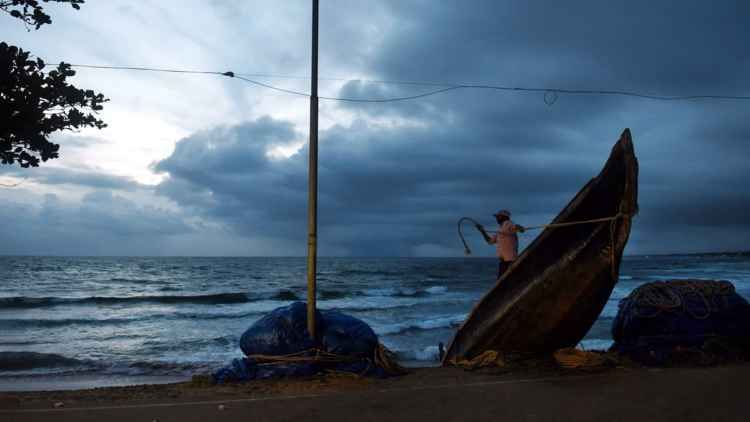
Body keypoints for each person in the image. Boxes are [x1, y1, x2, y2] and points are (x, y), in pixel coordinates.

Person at [476, 209, 525, 279]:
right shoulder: (500, 229)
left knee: (502, 281)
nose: (496, 218)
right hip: (504, 261)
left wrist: (520, 228)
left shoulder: (508, 224)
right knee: (502, 281)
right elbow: (490, 241)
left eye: (498, 216)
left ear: (504, 217)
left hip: (509, 261)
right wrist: (482, 231)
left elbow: (516, 227)